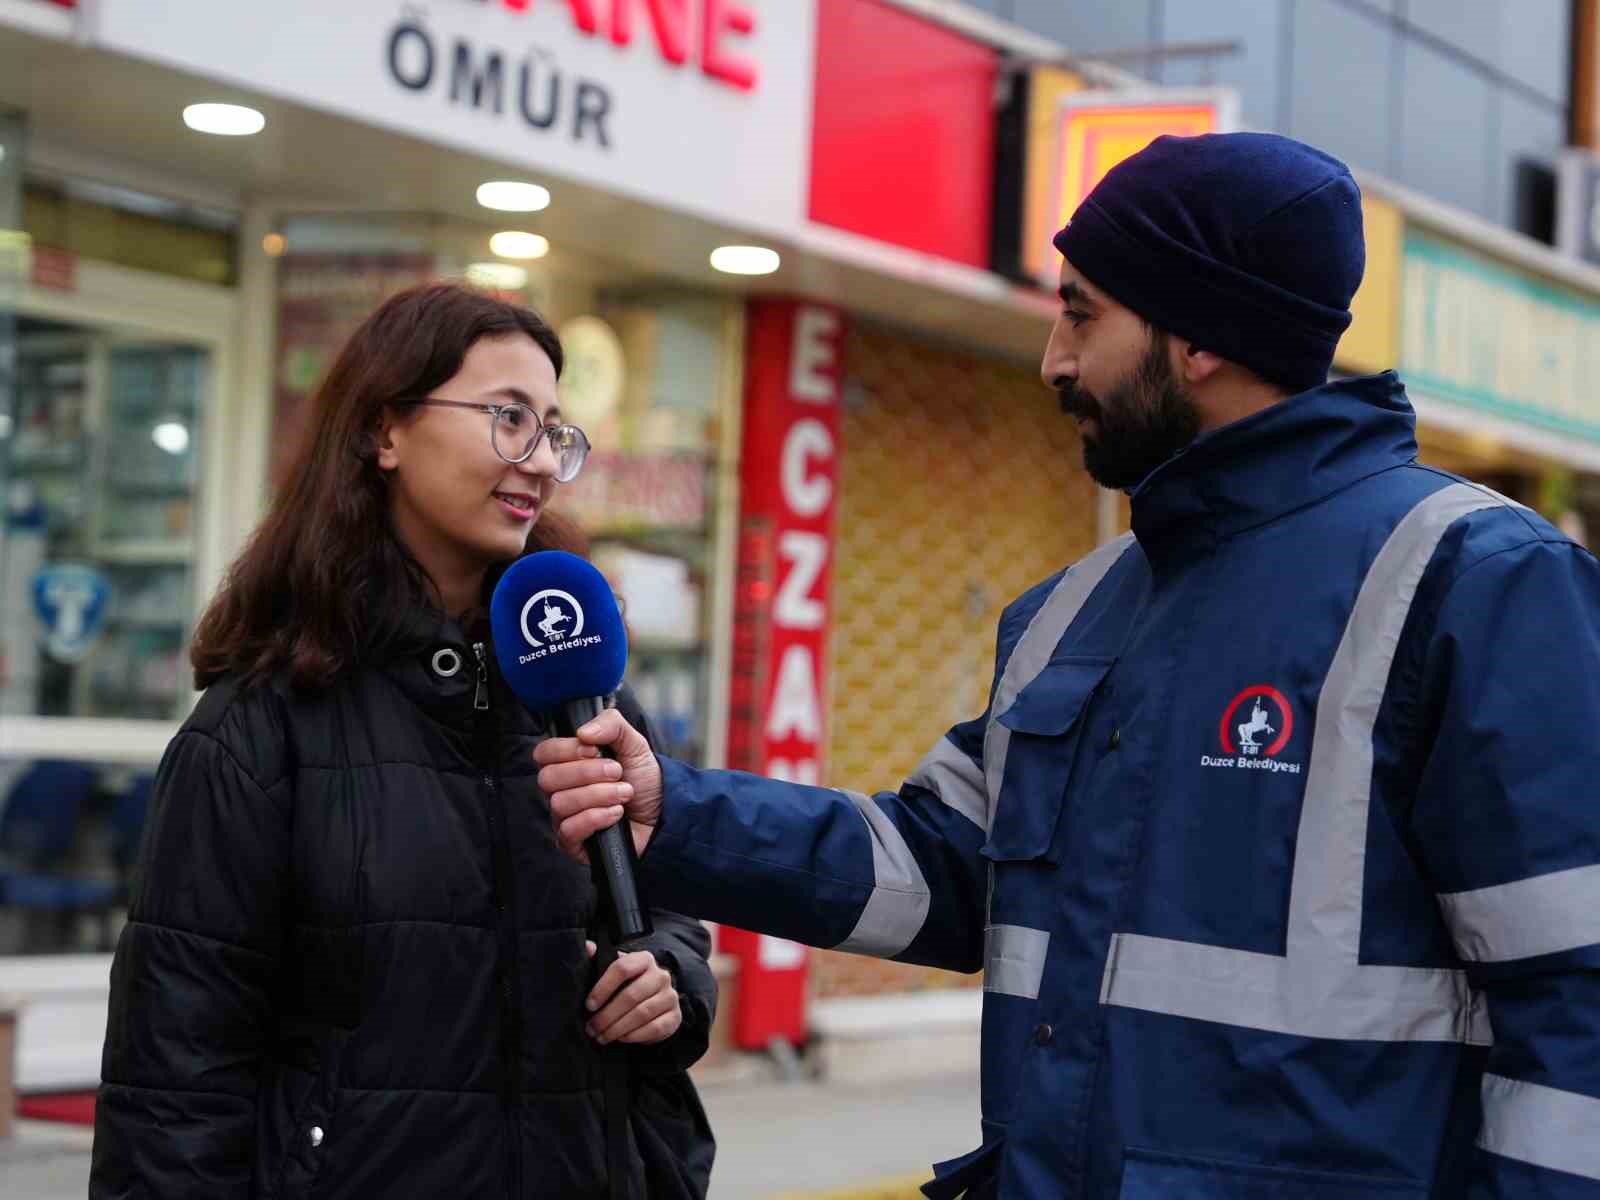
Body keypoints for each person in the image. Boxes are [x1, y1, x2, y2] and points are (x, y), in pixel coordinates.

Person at [537, 134, 1600, 1199]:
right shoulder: (1072, 610)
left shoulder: (1477, 581)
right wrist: (670, 812)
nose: (1052, 358)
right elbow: (943, 873)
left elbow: (1578, 1014)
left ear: (1198, 339)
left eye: (1081, 312)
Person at [91, 283, 717, 1200]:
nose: (539, 460)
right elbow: (175, 1075)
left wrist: (671, 979)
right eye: (508, 416)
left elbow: (664, 913)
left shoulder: (579, 692)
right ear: (385, 432)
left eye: (553, 429)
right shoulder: (257, 729)